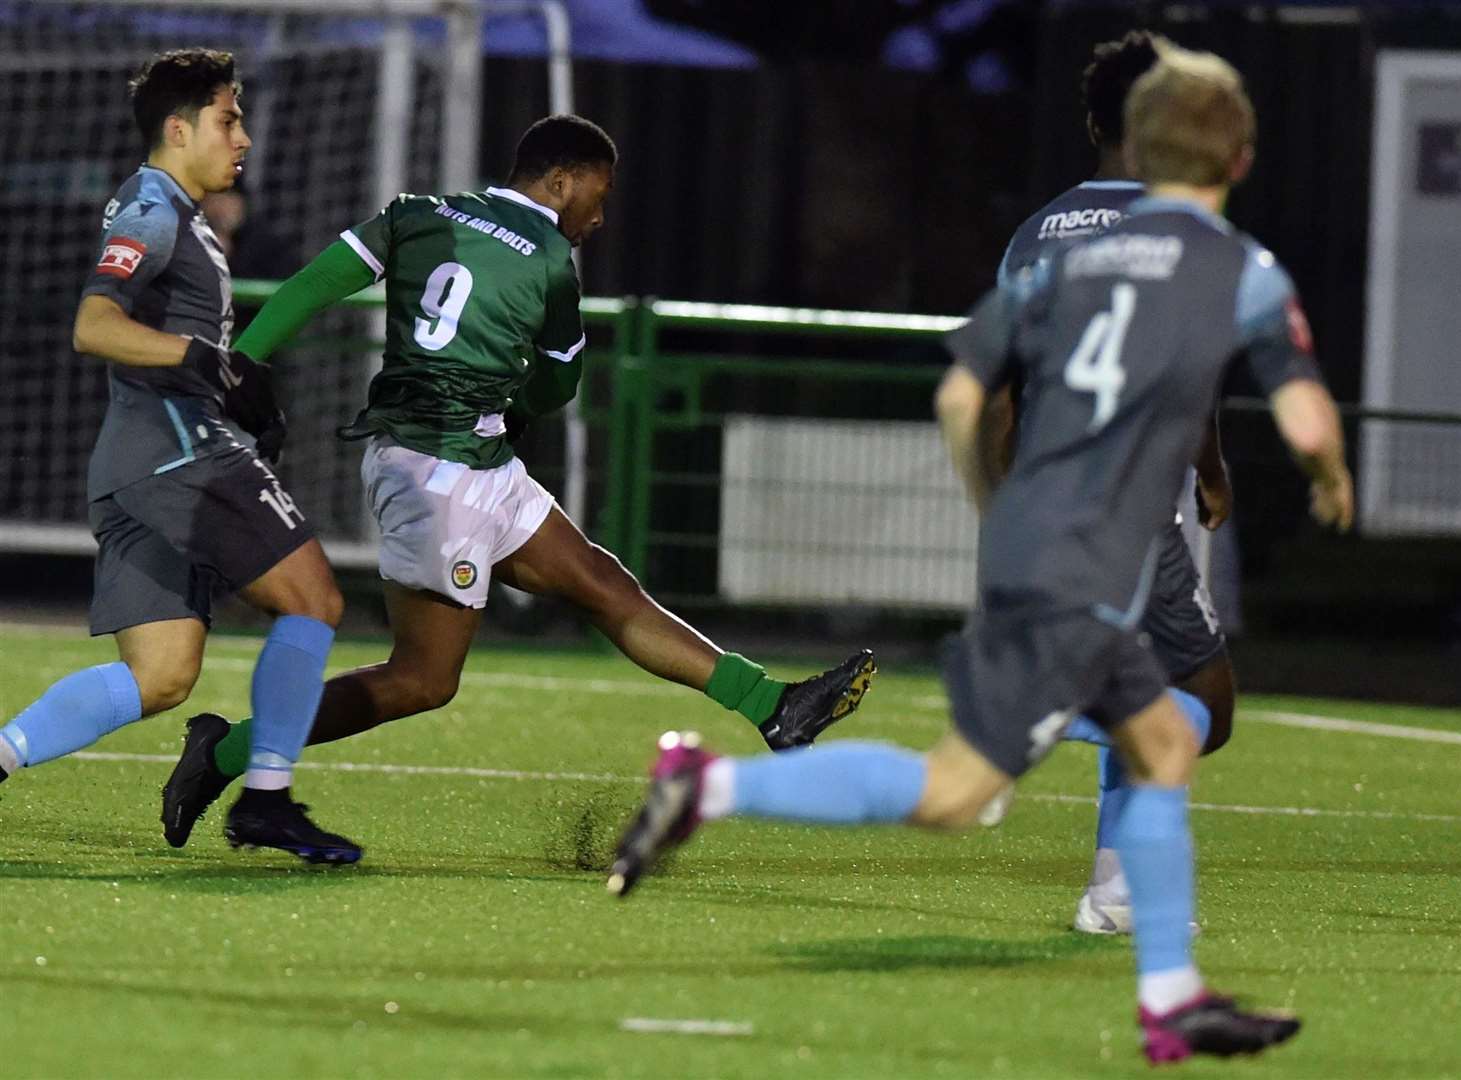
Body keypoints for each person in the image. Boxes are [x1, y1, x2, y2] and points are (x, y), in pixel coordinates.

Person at [607, 39, 1353, 1065]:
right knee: (1007, 774)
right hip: (1119, 538)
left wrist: (999, 505)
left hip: (1044, 522)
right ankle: (724, 786)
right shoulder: (1229, 257)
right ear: (1229, 153)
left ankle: (1164, 985)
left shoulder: (1051, 239)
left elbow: (967, 393)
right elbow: (1296, 409)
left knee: (1146, 737)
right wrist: (1323, 473)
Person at [158, 114, 876, 847]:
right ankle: (223, 752)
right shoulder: (548, 262)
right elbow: (560, 382)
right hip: (435, 472)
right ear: (559, 180)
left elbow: (313, 285)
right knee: (423, 680)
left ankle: (772, 707)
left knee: (601, 583)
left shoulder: (418, 214)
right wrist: (523, 407)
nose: (597, 216)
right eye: (597, 196)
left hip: (471, 459)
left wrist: (239, 360)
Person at [0, 49, 360, 864]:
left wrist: (223, 376)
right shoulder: (152, 209)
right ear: (178, 127)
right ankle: (265, 800)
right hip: (180, 457)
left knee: (160, 677)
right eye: (229, 118)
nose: (244, 137)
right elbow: (95, 325)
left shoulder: (183, 214)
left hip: (133, 464)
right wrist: (201, 363)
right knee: (316, 602)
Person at [988, 30, 1238, 937]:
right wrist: (1211, 467)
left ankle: (1113, 892)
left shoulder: (1038, 230)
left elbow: (1002, 393)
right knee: (1207, 704)